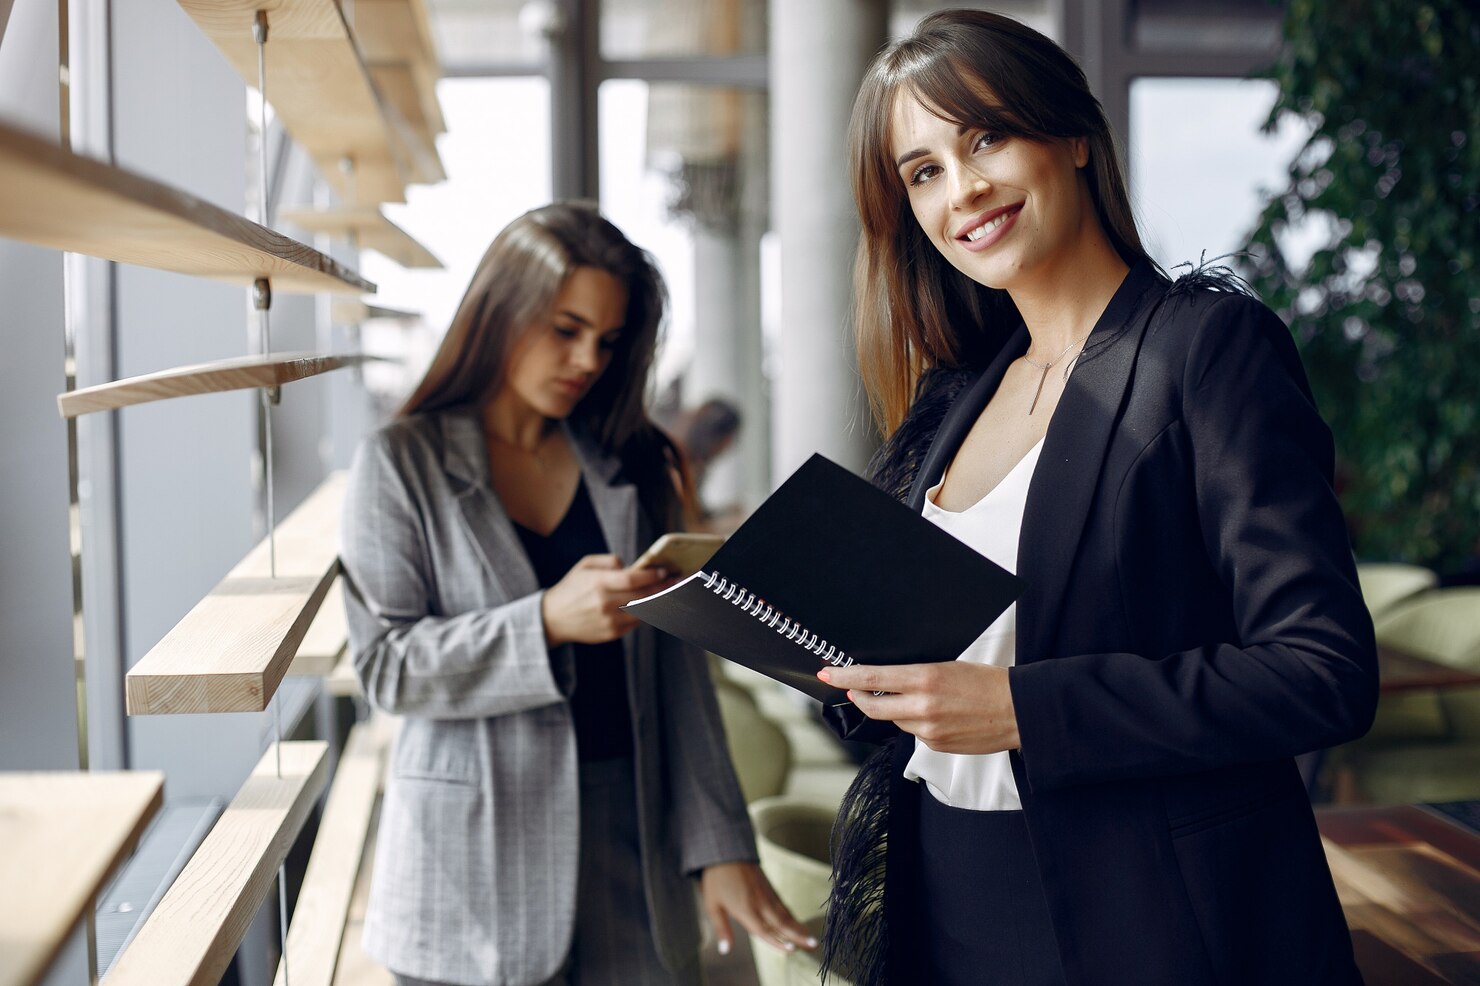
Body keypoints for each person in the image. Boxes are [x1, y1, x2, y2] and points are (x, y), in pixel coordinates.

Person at [815, 11, 1377, 986]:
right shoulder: (960, 394)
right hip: (946, 888)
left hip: (1145, 908)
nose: (963, 189)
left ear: (1072, 136)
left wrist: (1024, 709)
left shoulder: (1204, 350)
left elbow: (1321, 671)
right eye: (924, 172)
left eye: (986, 137)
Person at [339, 202, 813, 986]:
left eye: (609, 339)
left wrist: (721, 844)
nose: (588, 359)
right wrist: (545, 624)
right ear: (500, 312)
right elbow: (386, 667)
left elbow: (678, 675)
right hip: (469, 869)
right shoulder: (401, 462)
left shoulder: (634, 462)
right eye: (566, 329)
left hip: (632, 836)